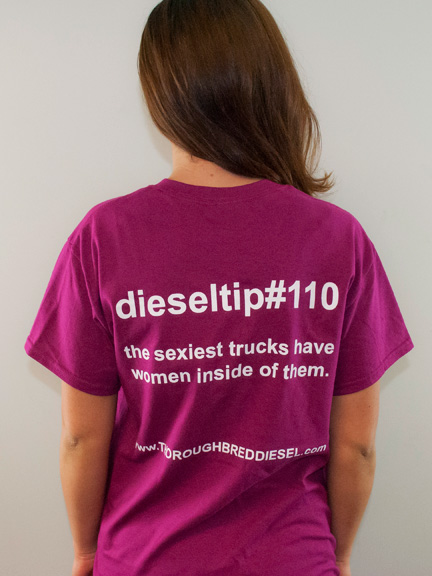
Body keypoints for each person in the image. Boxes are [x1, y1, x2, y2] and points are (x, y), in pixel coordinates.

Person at [25, 1, 413, 575]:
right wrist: (339, 555)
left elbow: (82, 439)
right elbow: (357, 446)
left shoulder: (106, 237)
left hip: (145, 560)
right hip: (293, 560)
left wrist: (85, 552)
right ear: (270, 85)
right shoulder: (338, 239)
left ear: (162, 97)